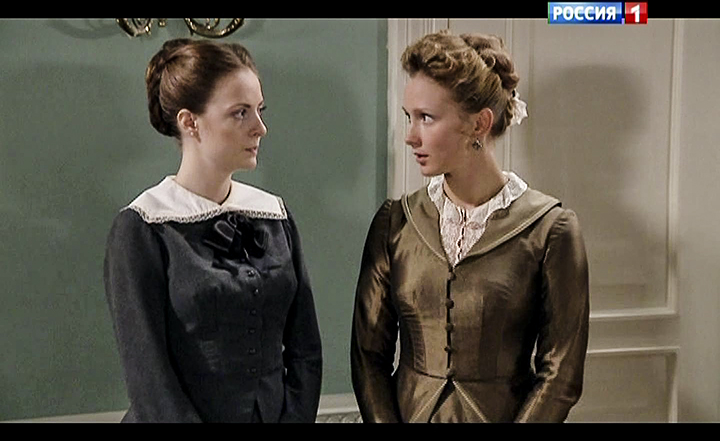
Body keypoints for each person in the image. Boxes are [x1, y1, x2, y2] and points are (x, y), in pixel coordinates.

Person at [350, 30, 589, 423]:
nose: (410, 136)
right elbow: (368, 356)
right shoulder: (395, 222)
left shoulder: (551, 229)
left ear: (479, 124)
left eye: (426, 118)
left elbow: (561, 373)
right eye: (409, 117)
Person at [104, 38, 322, 423]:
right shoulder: (143, 228)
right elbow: (149, 377)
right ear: (190, 122)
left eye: (259, 110)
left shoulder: (275, 216)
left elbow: (306, 350)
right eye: (240, 113)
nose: (260, 128)